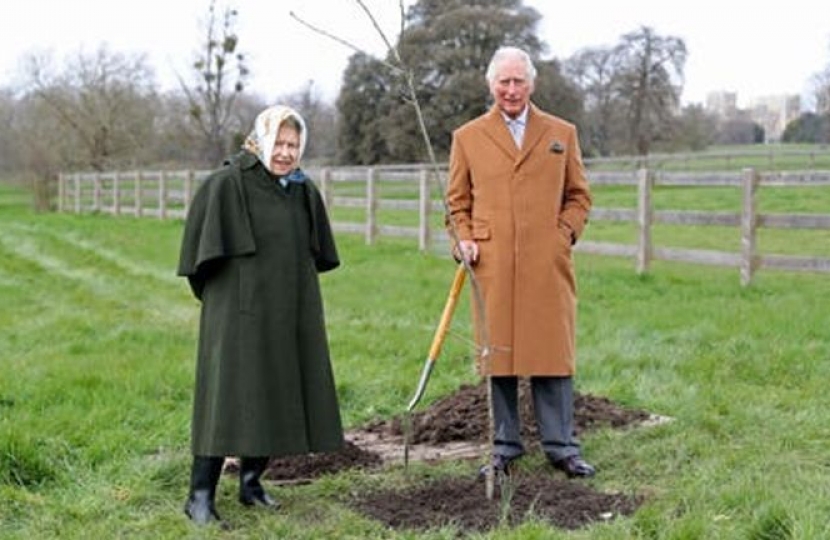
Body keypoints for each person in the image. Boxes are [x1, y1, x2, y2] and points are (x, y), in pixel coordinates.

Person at [176, 105, 344, 526]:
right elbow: (200, 263)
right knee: (226, 396)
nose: (286, 152)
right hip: (237, 312)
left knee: (275, 387)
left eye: (294, 144)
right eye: (280, 143)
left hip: (288, 309)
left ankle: (251, 483)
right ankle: (199, 495)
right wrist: (228, 304)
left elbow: (316, 251)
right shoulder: (226, 184)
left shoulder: (301, 190)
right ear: (262, 139)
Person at [446, 46, 595, 478]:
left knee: (551, 352)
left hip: (546, 263)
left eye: (519, 81)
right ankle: (504, 447)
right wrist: (466, 240)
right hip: (491, 265)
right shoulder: (468, 137)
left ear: (532, 84)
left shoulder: (560, 133)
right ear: (491, 85)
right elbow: (456, 204)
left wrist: (562, 235)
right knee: (500, 355)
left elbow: (579, 196)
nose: (511, 90)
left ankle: (562, 447)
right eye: (503, 82)